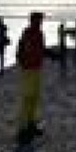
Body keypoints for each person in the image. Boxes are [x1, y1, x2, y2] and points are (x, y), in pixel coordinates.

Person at [16, 11, 48, 144]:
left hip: (36, 69)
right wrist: (23, 63)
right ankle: (23, 129)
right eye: (39, 20)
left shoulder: (39, 34)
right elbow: (21, 50)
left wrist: (50, 54)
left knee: (34, 98)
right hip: (29, 69)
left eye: (41, 20)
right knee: (27, 98)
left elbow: (40, 49)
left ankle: (31, 125)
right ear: (33, 20)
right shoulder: (28, 33)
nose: (40, 22)